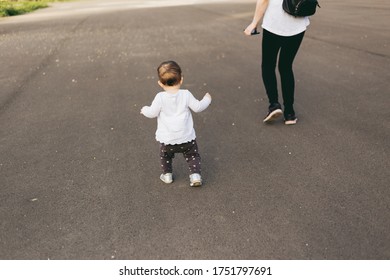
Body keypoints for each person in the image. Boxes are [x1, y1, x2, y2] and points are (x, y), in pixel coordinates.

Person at [141, 61, 212, 187]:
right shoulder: (186, 94)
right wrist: (207, 99)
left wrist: (144, 109)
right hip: (186, 137)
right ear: (181, 80)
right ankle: (195, 175)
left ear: (160, 83)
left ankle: (167, 175)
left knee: (165, 155)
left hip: (167, 139)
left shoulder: (160, 97)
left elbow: (152, 113)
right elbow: (198, 107)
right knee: (192, 155)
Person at [244, 0, 310, 125]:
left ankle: (274, 105)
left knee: (268, 65)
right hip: (298, 22)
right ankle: (289, 113)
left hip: (275, 23)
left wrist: (254, 23)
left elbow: (263, 0)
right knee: (286, 66)